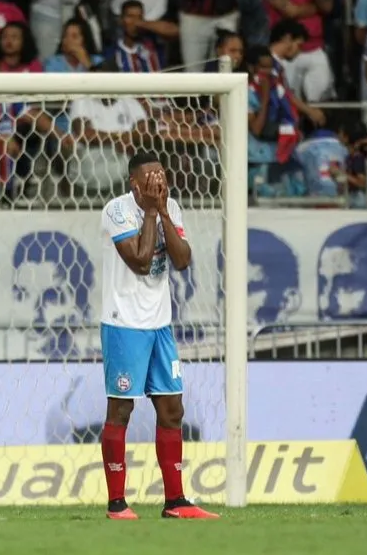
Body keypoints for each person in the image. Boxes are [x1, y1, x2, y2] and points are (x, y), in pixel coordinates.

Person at [98, 152, 218, 520]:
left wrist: (164, 212)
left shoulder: (173, 207)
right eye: (150, 177)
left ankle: (176, 501)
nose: (158, 182)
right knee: (121, 408)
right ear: (134, 183)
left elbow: (182, 261)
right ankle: (117, 503)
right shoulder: (116, 211)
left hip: (160, 324)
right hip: (124, 324)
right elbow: (141, 260)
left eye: (162, 174)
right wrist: (150, 212)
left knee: (172, 409)